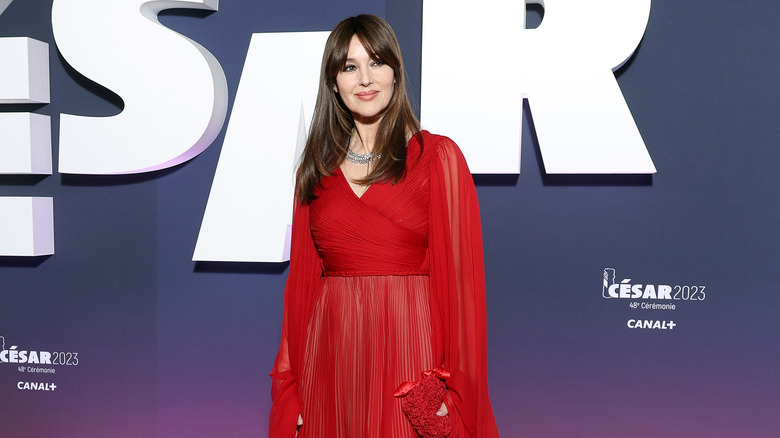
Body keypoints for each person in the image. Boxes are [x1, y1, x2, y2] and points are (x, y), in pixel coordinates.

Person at [269, 14, 499, 438]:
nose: (365, 79)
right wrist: (293, 388)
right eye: (350, 67)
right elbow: (300, 288)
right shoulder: (314, 170)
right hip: (330, 360)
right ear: (334, 83)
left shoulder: (437, 157)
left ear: (396, 71)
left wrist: (454, 391)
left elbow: (463, 290)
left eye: (377, 62)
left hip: (410, 357)